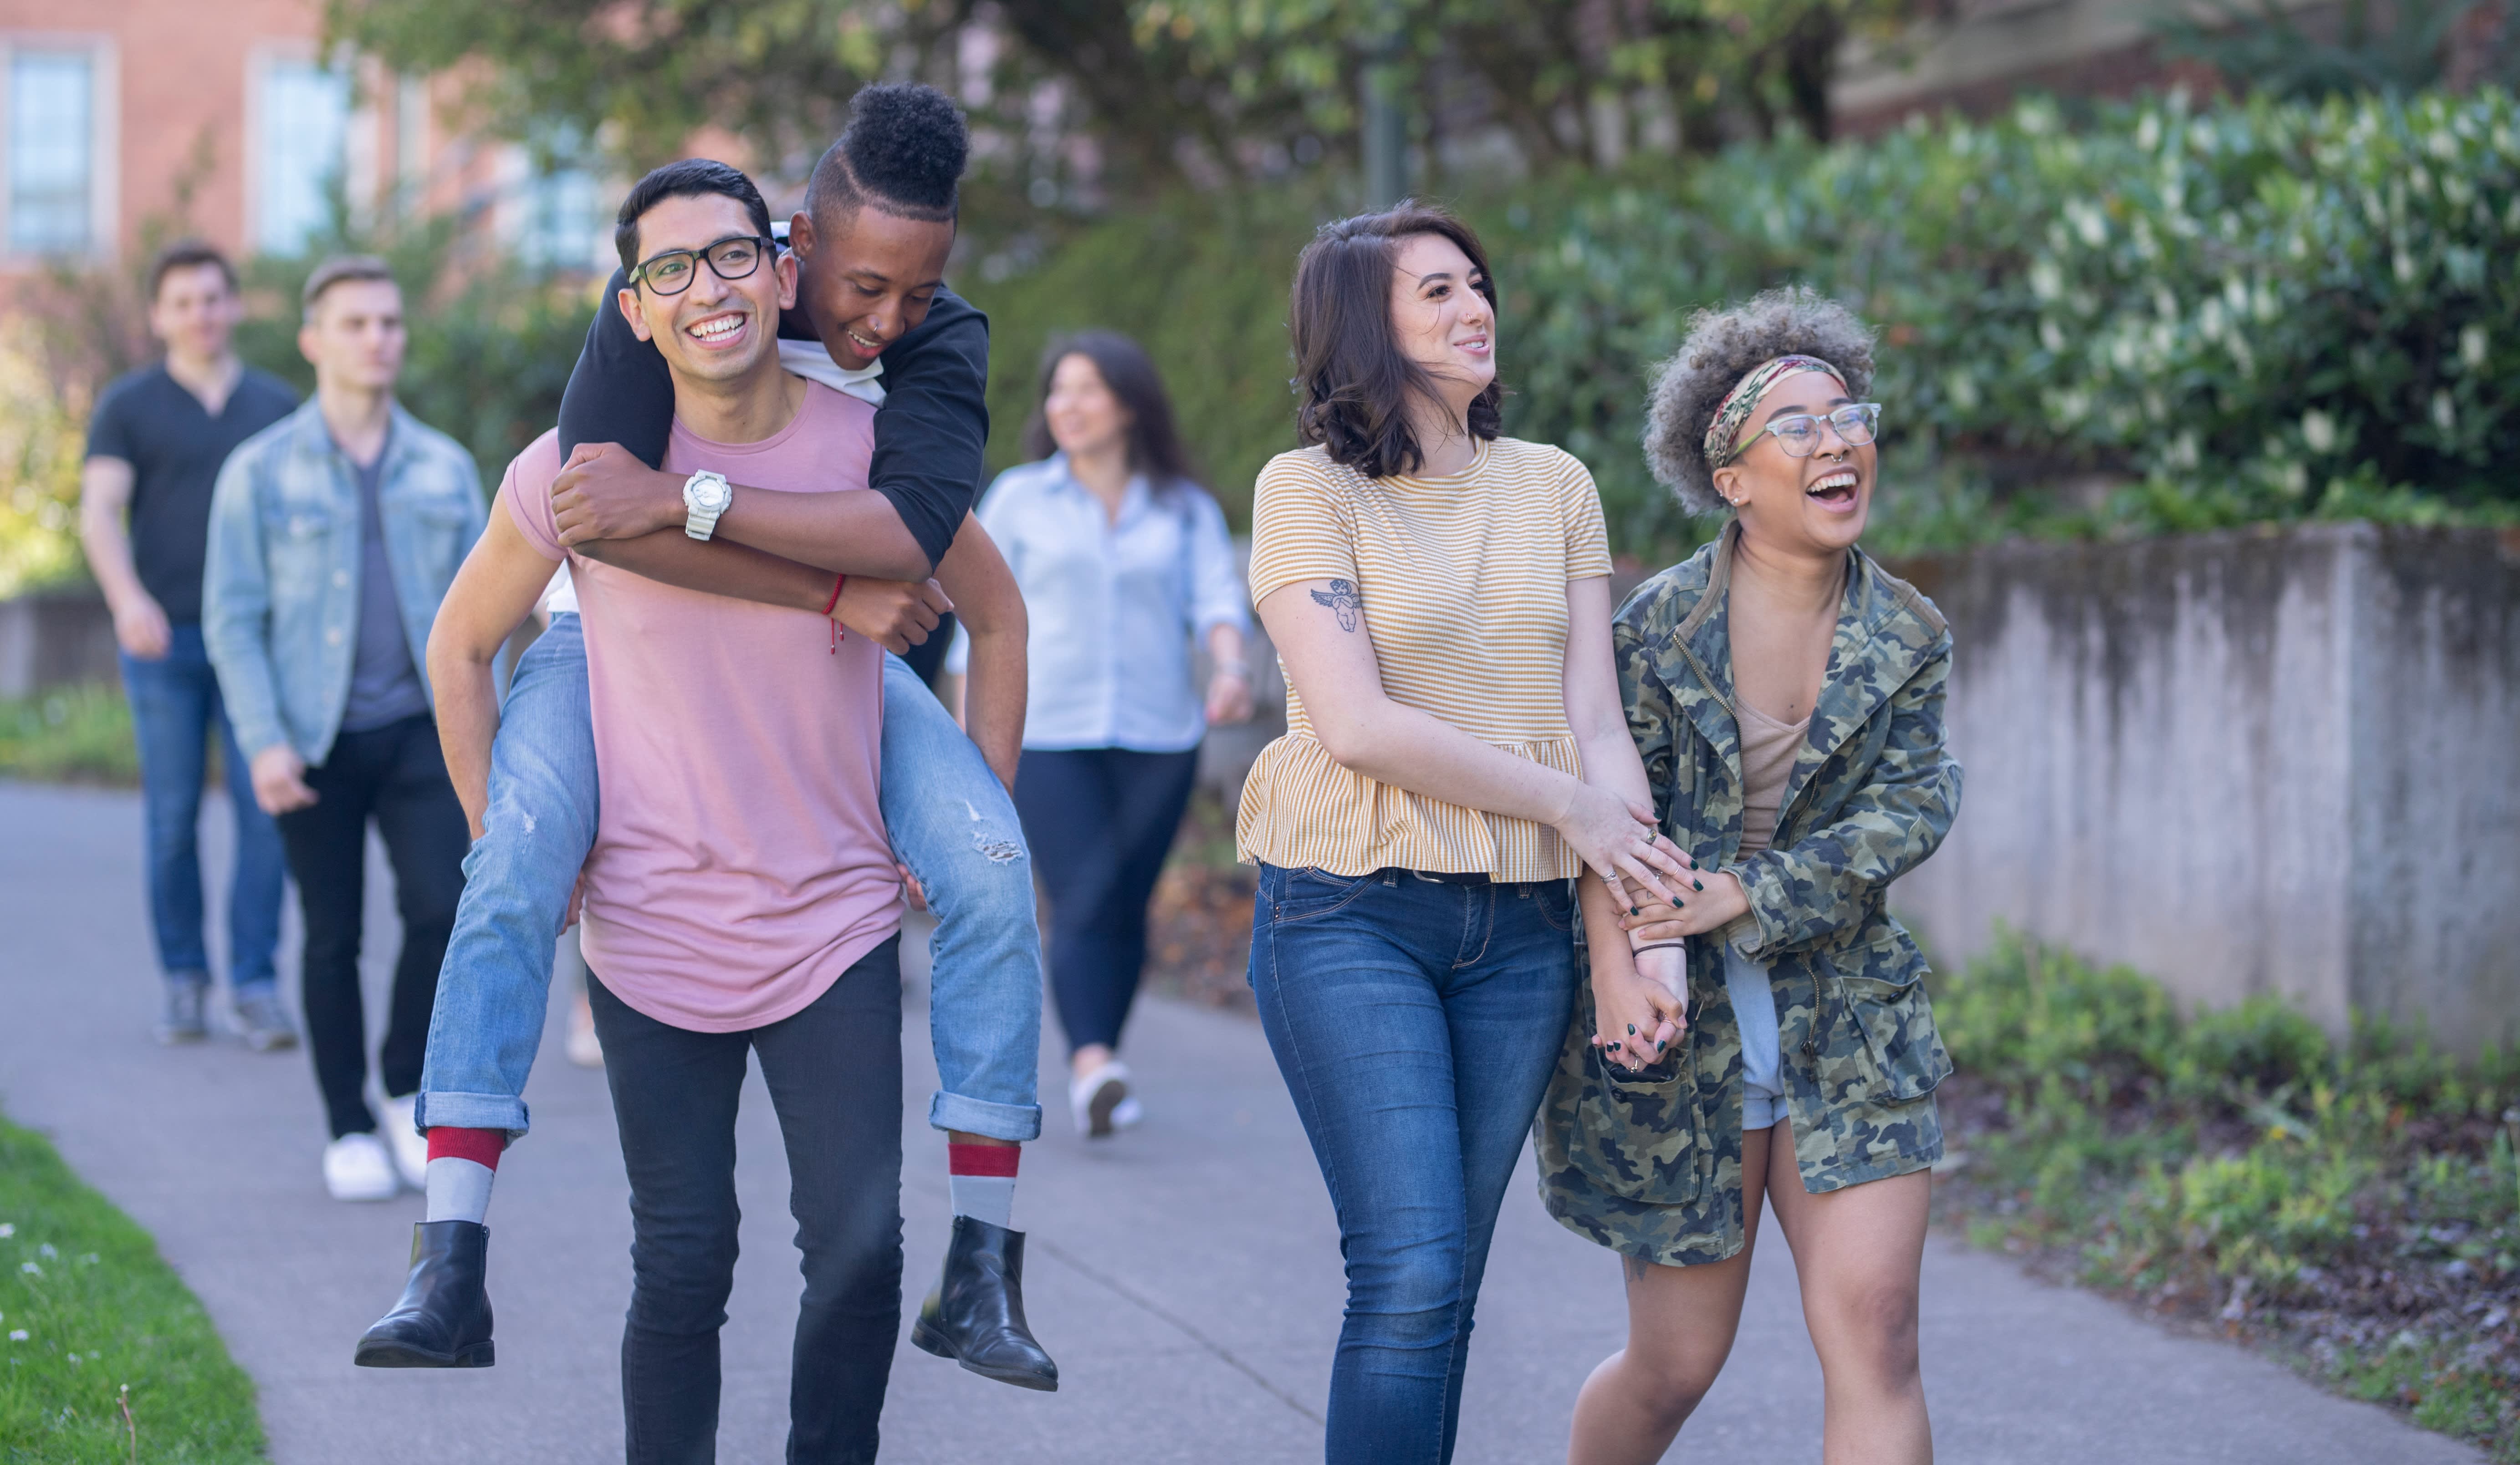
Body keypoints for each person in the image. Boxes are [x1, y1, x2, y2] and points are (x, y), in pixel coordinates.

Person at [356, 87, 1057, 1394]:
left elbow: (941, 574)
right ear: (799, 247)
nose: (882, 322)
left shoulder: (916, 364)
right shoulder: (660, 317)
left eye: (912, 294)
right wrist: (828, 589)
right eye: (861, 288)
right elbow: (606, 536)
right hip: (598, 641)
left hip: (835, 713)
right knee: (509, 867)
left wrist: (967, 804)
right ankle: (448, 1257)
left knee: (992, 864)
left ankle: (985, 1269)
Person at [1238, 202, 1693, 1464]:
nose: (1470, 306)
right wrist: (1564, 808)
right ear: (1360, 326)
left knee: (1443, 1296)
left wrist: (1629, 941)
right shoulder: (1305, 491)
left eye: (1474, 283)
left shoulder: (1552, 485)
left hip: (1521, 936)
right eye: (1432, 291)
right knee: (1409, 1277)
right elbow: (1356, 724)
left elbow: (1595, 727)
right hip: (1351, 911)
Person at [1538, 287, 1963, 1465]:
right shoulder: (1648, 633)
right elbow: (1602, 812)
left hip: (1849, 1021)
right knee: (1674, 1366)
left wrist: (1749, 894)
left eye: (1847, 415)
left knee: (1875, 1335)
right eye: (1794, 425)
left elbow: (1912, 804)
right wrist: (1618, 964)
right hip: (1680, 1034)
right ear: (1727, 476)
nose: (1834, 441)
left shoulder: (1908, 633)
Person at [201, 256, 485, 1203]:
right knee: (329, 935)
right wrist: (262, 741)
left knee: (439, 912)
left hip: (419, 730)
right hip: (310, 741)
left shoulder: (443, 467)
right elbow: (232, 618)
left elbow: (486, 621)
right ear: (314, 340)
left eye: (391, 323)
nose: (379, 340)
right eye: (357, 324)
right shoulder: (259, 471)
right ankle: (347, 1125)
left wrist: (493, 740)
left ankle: (405, 1088)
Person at [953, 330, 1253, 1138]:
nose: (1067, 406)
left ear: (1128, 404)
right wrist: (962, 739)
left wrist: (1229, 667)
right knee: (1082, 895)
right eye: (1058, 391)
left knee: (1126, 904)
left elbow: (1217, 602)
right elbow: (973, 625)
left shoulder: (1181, 507)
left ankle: (1105, 1056)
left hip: (1160, 737)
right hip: (1048, 729)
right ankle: (1092, 1062)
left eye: (1086, 390)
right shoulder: (1018, 498)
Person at [80, 240, 298, 1049]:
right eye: (183, 302)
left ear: (234, 306)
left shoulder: (277, 407)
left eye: (212, 298)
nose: (200, 314)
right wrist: (125, 598)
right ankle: (183, 980)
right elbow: (99, 511)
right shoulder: (129, 407)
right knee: (171, 820)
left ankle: (254, 985)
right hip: (163, 642)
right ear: (158, 316)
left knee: (264, 816)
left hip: (257, 649)